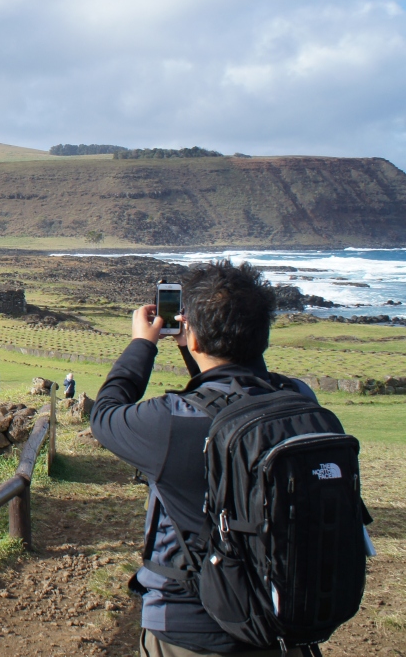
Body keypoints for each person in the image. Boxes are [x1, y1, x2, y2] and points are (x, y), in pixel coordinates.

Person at [90, 262, 319, 657]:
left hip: (191, 629)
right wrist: (197, 350)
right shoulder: (302, 402)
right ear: (262, 334)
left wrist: (142, 344)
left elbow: (105, 414)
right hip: (286, 618)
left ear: (190, 336)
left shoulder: (170, 423)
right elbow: (238, 393)